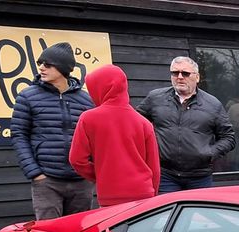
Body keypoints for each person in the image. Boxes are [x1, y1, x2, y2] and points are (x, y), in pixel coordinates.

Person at [10, 42, 95, 219]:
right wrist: (35, 173)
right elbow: (19, 135)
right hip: (47, 181)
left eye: (47, 64)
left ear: (63, 68)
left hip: (81, 182)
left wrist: (90, 171)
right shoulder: (27, 97)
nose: (41, 68)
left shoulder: (86, 100)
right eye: (40, 63)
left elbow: (94, 139)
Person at [137, 56, 235, 192]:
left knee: (199, 213)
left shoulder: (212, 104)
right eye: (175, 73)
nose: (180, 77)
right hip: (165, 175)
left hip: (199, 177)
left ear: (197, 77)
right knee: (167, 212)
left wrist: (209, 153)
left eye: (185, 73)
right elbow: (136, 125)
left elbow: (228, 138)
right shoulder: (155, 98)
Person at [69, 65, 160, 206]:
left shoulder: (88, 119)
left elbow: (77, 160)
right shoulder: (143, 122)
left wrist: (101, 176)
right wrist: (152, 194)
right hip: (143, 193)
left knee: (113, 229)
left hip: (110, 195)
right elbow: (154, 167)